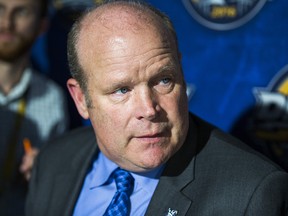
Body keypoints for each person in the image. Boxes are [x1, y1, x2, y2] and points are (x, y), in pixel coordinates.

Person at [26, 0, 288, 215]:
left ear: (181, 72)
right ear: (81, 99)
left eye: (164, 80)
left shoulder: (252, 195)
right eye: (122, 90)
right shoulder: (52, 162)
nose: (149, 109)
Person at [0, 0, 69, 215]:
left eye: (21, 12)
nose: (6, 22)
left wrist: (45, 173)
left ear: (42, 26)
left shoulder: (53, 99)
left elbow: (57, 193)